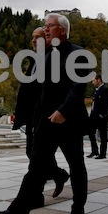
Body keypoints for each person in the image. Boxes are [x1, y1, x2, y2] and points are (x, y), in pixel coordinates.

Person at [0, 13, 89, 214]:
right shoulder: (44, 56)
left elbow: (77, 88)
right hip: (45, 122)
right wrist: (35, 123)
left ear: (62, 30)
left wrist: (63, 110)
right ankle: (17, 212)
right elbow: (40, 94)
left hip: (69, 121)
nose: (45, 30)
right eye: (45, 26)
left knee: (76, 166)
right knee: (36, 168)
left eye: (49, 26)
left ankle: (78, 209)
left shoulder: (79, 54)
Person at [11, 27, 69, 202]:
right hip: (32, 114)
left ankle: (36, 195)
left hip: (44, 116)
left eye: (38, 37)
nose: (34, 40)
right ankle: (58, 175)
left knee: (36, 154)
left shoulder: (51, 58)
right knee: (36, 154)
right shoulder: (36, 59)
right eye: (32, 37)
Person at [90, 73, 108, 159]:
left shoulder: (106, 89)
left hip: (100, 116)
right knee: (91, 132)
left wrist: (101, 114)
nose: (93, 82)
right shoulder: (96, 90)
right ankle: (94, 150)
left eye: (94, 80)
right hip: (93, 116)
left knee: (103, 135)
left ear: (98, 80)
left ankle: (102, 153)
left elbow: (107, 104)